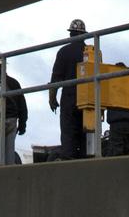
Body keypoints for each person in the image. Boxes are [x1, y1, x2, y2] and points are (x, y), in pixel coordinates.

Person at [49, 19, 88, 160]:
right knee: (87, 136)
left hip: (69, 99)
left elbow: (55, 80)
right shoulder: (92, 52)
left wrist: (52, 99)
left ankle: (69, 162)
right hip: (88, 102)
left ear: (71, 34)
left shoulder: (64, 52)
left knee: (68, 134)